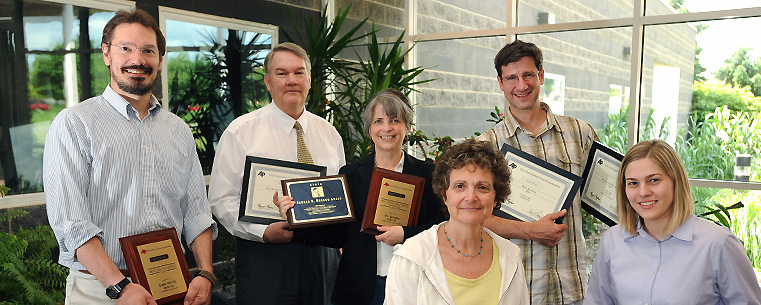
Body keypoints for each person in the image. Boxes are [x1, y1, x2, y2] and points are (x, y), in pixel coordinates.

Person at [43, 9, 218, 305]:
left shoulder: (178, 130)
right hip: (100, 288)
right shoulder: (75, 123)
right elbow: (70, 221)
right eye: (126, 48)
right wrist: (119, 286)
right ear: (106, 53)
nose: (138, 60)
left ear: (160, 61)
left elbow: (196, 211)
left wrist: (206, 273)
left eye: (148, 50)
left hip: (170, 284)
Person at [276, 89, 445, 305]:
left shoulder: (428, 173)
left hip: (412, 285)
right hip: (361, 288)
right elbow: (338, 234)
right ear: (369, 129)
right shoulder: (351, 174)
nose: (387, 128)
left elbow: (443, 226)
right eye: (378, 121)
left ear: (407, 127)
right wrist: (295, 216)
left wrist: (405, 233)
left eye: (395, 120)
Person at [207, 42, 345, 305]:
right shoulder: (241, 131)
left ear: (310, 80)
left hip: (322, 257)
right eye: (282, 73)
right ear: (268, 82)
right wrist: (262, 231)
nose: (291, 80)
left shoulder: (329, 134)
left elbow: (337, 195)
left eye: (299, 72)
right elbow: (221, 198)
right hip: (265, 257)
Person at [476, 39, 596, 304]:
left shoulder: (580, 133)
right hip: (517, 289)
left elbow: (602, 199)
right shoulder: (488, 146)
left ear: (541, 76)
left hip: (572, 287)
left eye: (528, 75)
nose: (522, 85)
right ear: (500, 83)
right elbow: (476, 219)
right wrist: (530, 230)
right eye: (512, 78)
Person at [586, 139, 761, 304]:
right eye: (633, 183)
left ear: (676, 182)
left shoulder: (718, 244)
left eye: (653, 180)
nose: (643, 192)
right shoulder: (612, 241)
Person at [385, 139, 529, 305]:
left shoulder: (511, 256)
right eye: (460, 186)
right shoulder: (411, 258)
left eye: (482, 187)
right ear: (444, 195)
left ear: (496, 198)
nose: (471, 197)